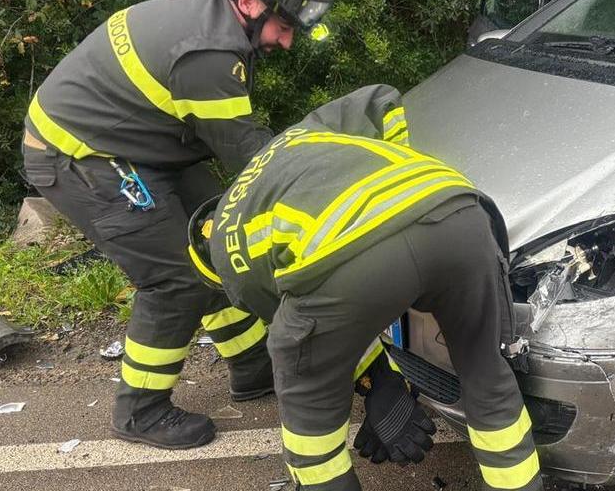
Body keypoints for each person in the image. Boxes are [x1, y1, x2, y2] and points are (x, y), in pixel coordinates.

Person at [21, 0, 334, 449]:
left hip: (139, 141)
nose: (287, 42)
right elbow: (257, 163)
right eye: (283, 26)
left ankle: (252, 366)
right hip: (80, 155)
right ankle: (139, 410)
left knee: (215, 233)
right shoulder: (209, 55)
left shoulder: (218, 20)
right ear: (250, 1)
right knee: (176, 278)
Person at [186, 85, 541, 491]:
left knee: (310, 420)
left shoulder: (226, 246)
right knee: (486, 375)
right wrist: (395, 184)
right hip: (454, 204)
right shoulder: (288, 144)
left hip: (356, 248)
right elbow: (381, 99)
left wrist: (378, 383)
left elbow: (313, 341)